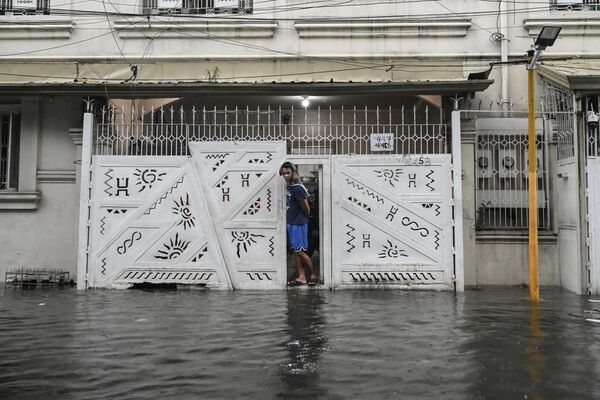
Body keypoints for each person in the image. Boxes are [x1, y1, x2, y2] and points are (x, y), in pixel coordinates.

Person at [280, 161, 318, 286]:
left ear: (293, 173)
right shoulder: (290, 187)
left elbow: (306, 208)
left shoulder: (298, 188)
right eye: (284, 173)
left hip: (298, 223)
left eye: (288, 173)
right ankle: (301, 277)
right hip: (292, 222)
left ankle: (314, 274)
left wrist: (304, 217)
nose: (285, 175)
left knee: (300, 251)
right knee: (297, 251)